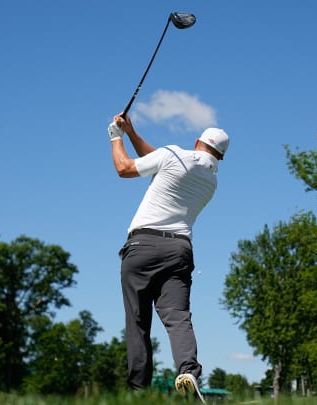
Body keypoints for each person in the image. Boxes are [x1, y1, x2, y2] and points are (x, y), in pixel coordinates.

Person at [107, 113, 229, 401]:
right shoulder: (211, 181)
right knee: (178, 317)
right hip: (179, 251)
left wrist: (116, 136)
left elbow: (124, 168)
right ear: (220, 157)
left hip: (143, 246)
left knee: (138, 321)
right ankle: (188, 370)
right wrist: (133, 133)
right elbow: (158, 161)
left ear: (197, 141)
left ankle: (138, 391)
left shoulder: (173, 154)